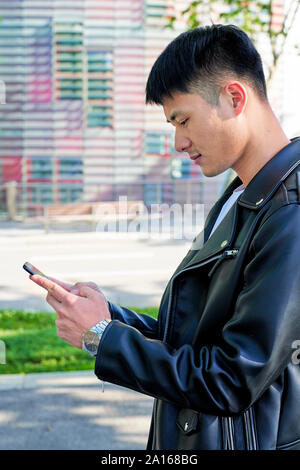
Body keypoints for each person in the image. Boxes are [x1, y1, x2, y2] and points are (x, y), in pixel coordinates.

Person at [29, 24, 300, 450]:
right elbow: (197, 340)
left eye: (183, 120)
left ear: (234, 98)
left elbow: (231, 379)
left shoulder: (290, 213)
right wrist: (109, 318)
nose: (178, 142)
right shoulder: (241, 195)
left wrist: (102, 336)